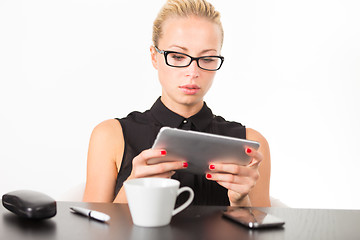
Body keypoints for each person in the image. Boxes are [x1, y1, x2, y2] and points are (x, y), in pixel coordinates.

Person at [83, 0, 271, 207]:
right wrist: (133, 187)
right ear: (155, 57)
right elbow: (91, 230)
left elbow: (266, 232)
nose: (193, 72)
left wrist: (241, 201)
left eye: (207, 59)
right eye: (178, 56)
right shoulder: (111, 136)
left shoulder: (249, 143)